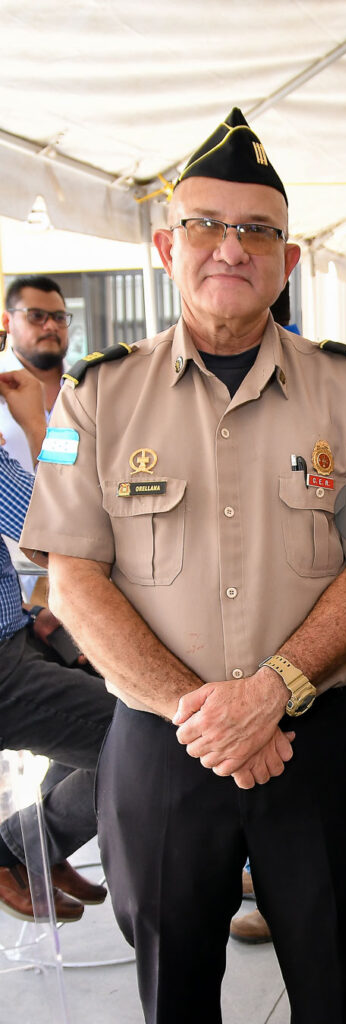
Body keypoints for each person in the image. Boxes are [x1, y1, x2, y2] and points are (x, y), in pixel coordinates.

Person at [21, 107, 346, 1024]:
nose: (232, 246)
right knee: (173, 989)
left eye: (257, 230)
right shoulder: (98, 394)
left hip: (316, 736)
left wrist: (271, 692)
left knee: (333, 985)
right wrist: (209, 714)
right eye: (207, 225)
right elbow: (73, 576)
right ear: (165, 244)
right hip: (160, 745)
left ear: (288, 259)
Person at [0, 367, 114, 923]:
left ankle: (40, 851)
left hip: (15, 630)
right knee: (135, 739)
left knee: (120, 699)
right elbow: (54, 530)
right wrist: (36, 426)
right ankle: (19, 850)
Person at [1, 275, 71, 473]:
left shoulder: (90, 386)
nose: (50, 326)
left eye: (59, 317)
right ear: (7, 322)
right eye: (36, 316)